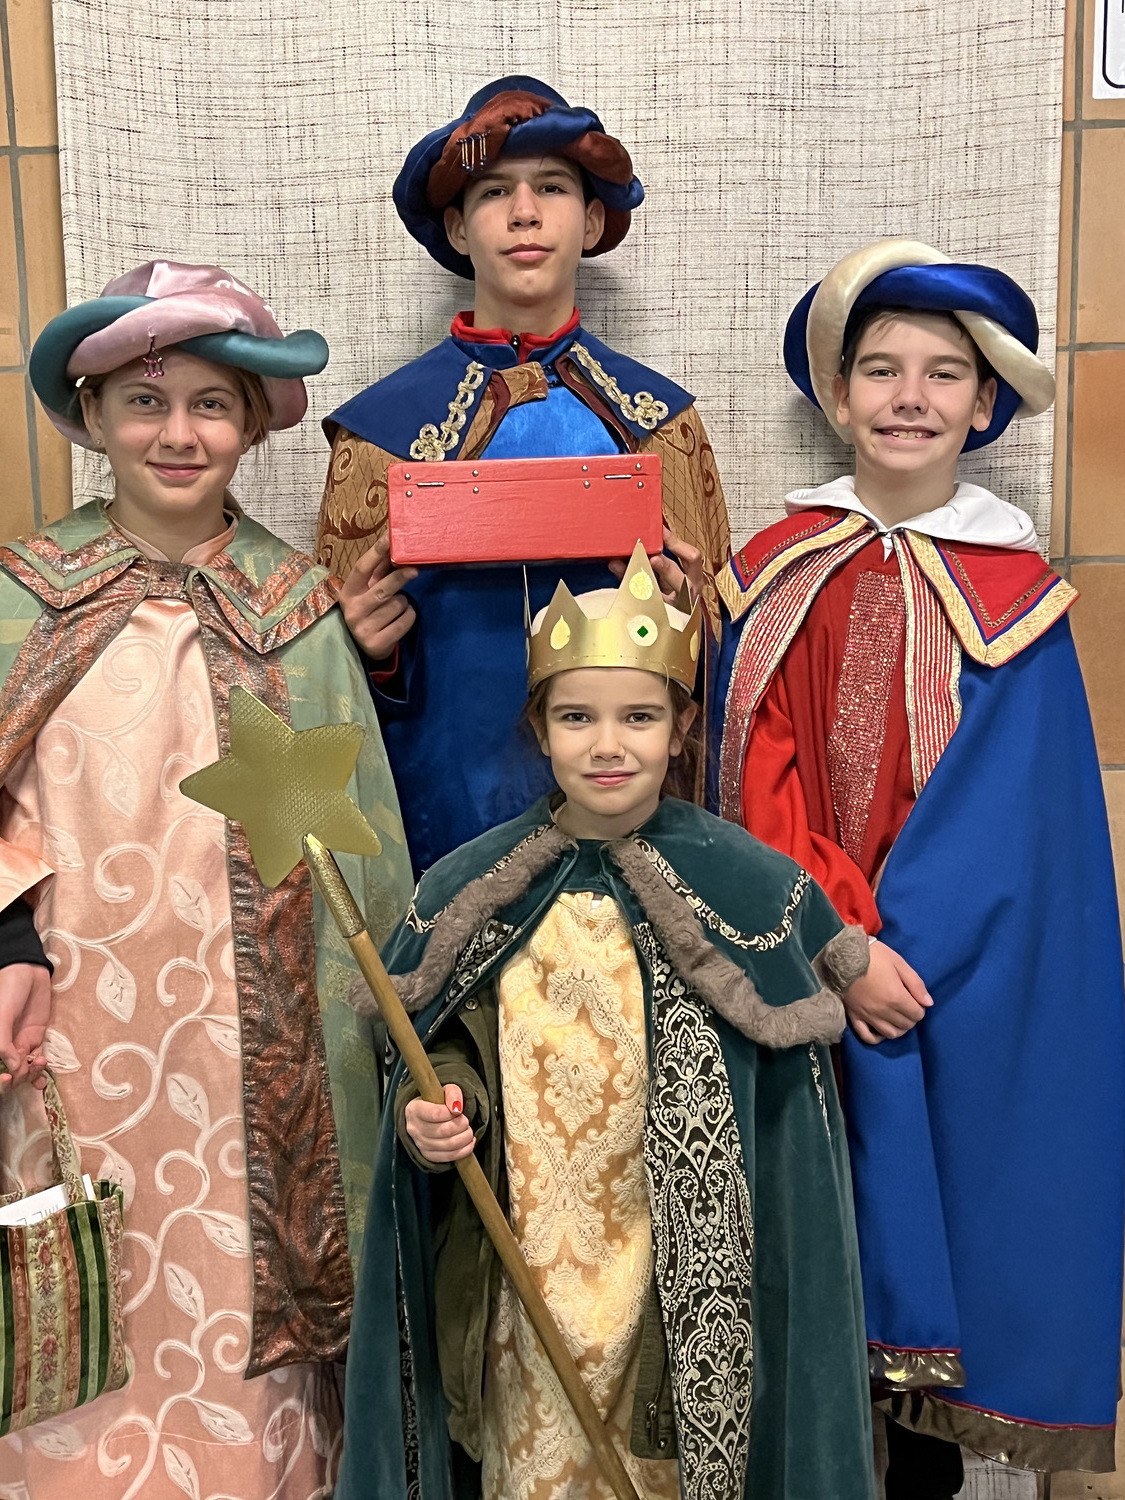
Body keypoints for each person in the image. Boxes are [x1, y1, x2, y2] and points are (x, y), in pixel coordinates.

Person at [336, 544, 875, 1500]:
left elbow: (788, 1134)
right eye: (576, 717)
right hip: (531, 1281)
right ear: (538, 730)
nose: (607, 745)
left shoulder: (748, 887)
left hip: (681, 1280)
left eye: (639, 716)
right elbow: (446, 1047)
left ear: (680, 727)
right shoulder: (471, 887)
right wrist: (442, 1106)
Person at [714, 239, 1125, 1491]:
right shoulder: (772, 574)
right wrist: (837, 943)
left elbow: (1020, 831)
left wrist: (902, 962)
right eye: (880, 369)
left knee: (932, 1286)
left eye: (943, 374)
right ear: (837, 397)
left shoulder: (1021, 597)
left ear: (984, 403)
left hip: (949, 993)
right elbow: (754, 778)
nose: (909, 397)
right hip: (799, 966)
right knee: (804, 1278)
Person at [0, 260, 412, 1497]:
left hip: (251, 1058)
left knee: (239, 1287)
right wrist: (7, 943)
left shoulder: (296, 611)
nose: (177, 434)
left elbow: (360, 865)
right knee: (75, 1286)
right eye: (145, 401)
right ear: (92, 415)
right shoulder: (22, 598)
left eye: (211, 405)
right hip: (63, 1025)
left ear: (252, 425)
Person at [315, 77, 731, 873]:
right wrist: (361, 647)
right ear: (456, 227)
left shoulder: (660, 426)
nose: (524, 212)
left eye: (552, 187)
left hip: (626, 815)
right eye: (493, 192)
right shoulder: (379, 436)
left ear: (593, 220)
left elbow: (725, 658)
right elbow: (322, 681)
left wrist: (691, 621)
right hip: (436, 809)